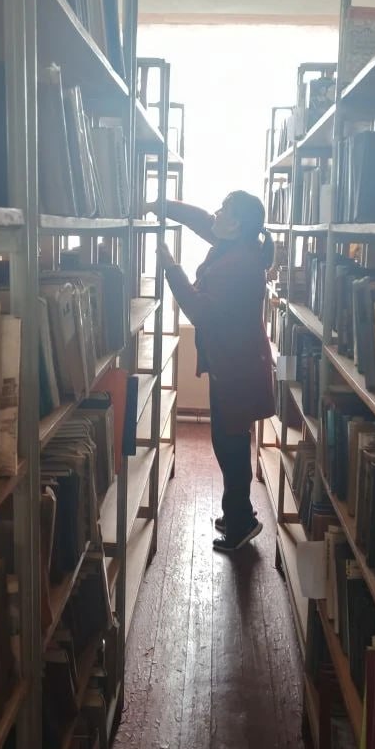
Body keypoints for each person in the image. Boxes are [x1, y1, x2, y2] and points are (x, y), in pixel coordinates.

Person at [150, 191, 276, 552]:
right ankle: (236, 511)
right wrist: (161, 206)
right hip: (233, 364)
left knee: (230, 444)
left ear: (236, 224)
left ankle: (241, 522)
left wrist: (170, 266)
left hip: (237, 369)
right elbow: (202, 219)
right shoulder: (238, 244)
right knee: (230, 441)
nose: (216, 213)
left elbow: (199, 312)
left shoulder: (238, 264)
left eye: (224, 210)